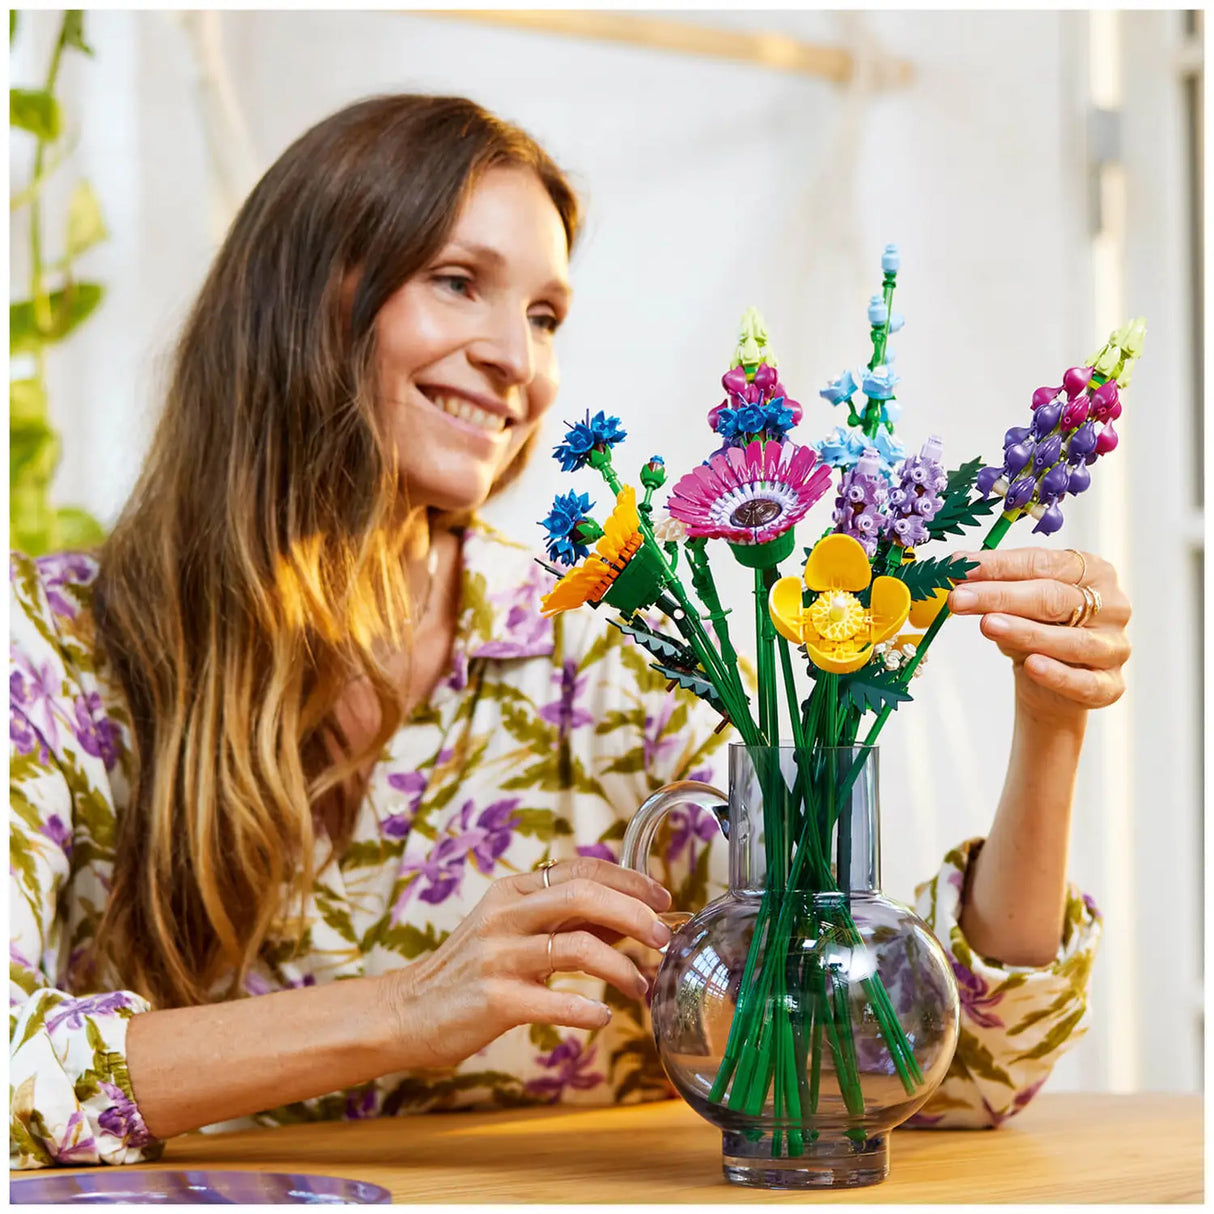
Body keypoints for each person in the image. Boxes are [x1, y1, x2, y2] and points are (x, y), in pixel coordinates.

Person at [9, 94, 1130, 1169]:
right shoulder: (52, 648)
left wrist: (1050, 723)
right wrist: (405, 1006)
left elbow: (938, 1065)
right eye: (458, 283)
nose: (519, 361)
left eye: (544, 315)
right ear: (300, 299)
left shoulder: (611, 642)